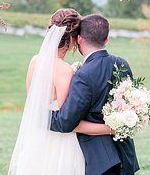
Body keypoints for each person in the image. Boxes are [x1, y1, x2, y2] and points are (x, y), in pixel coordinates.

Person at [8, 9, 112, 175]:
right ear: (73, 39)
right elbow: (68, 123)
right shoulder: (64, 70)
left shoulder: (35, 60)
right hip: (60, 144)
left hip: (38, 139)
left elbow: (36, 106)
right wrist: (110, 128)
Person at [50, 14, 140, 175]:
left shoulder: (83, 75)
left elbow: (66, 122)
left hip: (100, 160)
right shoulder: (122, 63)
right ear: (106, 39)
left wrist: (39, 115)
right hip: (125, 155)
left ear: (79, 39)